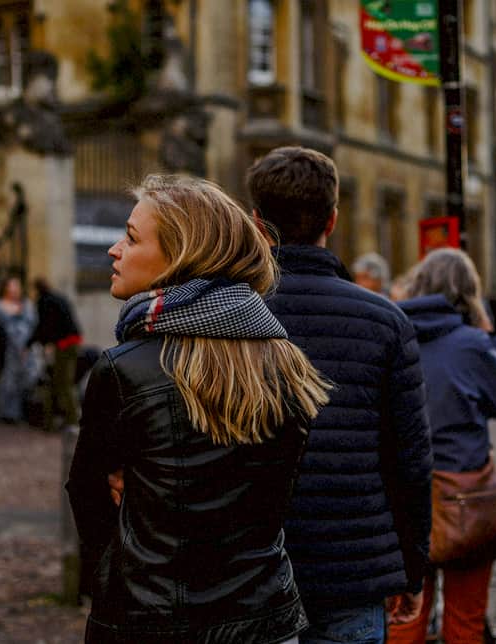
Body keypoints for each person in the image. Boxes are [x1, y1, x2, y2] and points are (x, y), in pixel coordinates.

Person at [66, 174, 330, 643]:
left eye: (130, 237)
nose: (114, 250)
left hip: (151, 621)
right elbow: (276, 496)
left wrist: (123, 568)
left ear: (182, 257)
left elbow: (87, 493)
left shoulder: (123, 369)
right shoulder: (287, 361)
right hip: (265, 618)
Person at [246, 146, 433, 643]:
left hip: (250, 571)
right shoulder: (386, 321)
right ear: (333, 217)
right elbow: (410, 461)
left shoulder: (228, 317)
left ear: (257, 225)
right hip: (353, 573)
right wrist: (411, 570)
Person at [390, 249, 496, 644]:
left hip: (402, 493)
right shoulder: (472, 344)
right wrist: (491, 336)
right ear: (470, 293)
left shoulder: (393, 332)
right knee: (465, 620)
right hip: (465, 496)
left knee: (403, 619)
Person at [28, 278, 82, 430]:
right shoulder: (58, 298)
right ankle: (62, 418)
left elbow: (45, 326)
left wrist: (33, 343)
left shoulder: (44, 302)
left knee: (63, 383)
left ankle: (71, 419)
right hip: (72, 341)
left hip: (62, 345)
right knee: (61, 382)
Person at [0, 276, 37, 424]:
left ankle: (26, 410)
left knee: (28, 378)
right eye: (11, 287)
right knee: (9, 381)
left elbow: (34, 324)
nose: (14, 291)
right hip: (8, 350)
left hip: (26, 348)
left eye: (16, 287)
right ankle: (9, 413)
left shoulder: (27, 305)